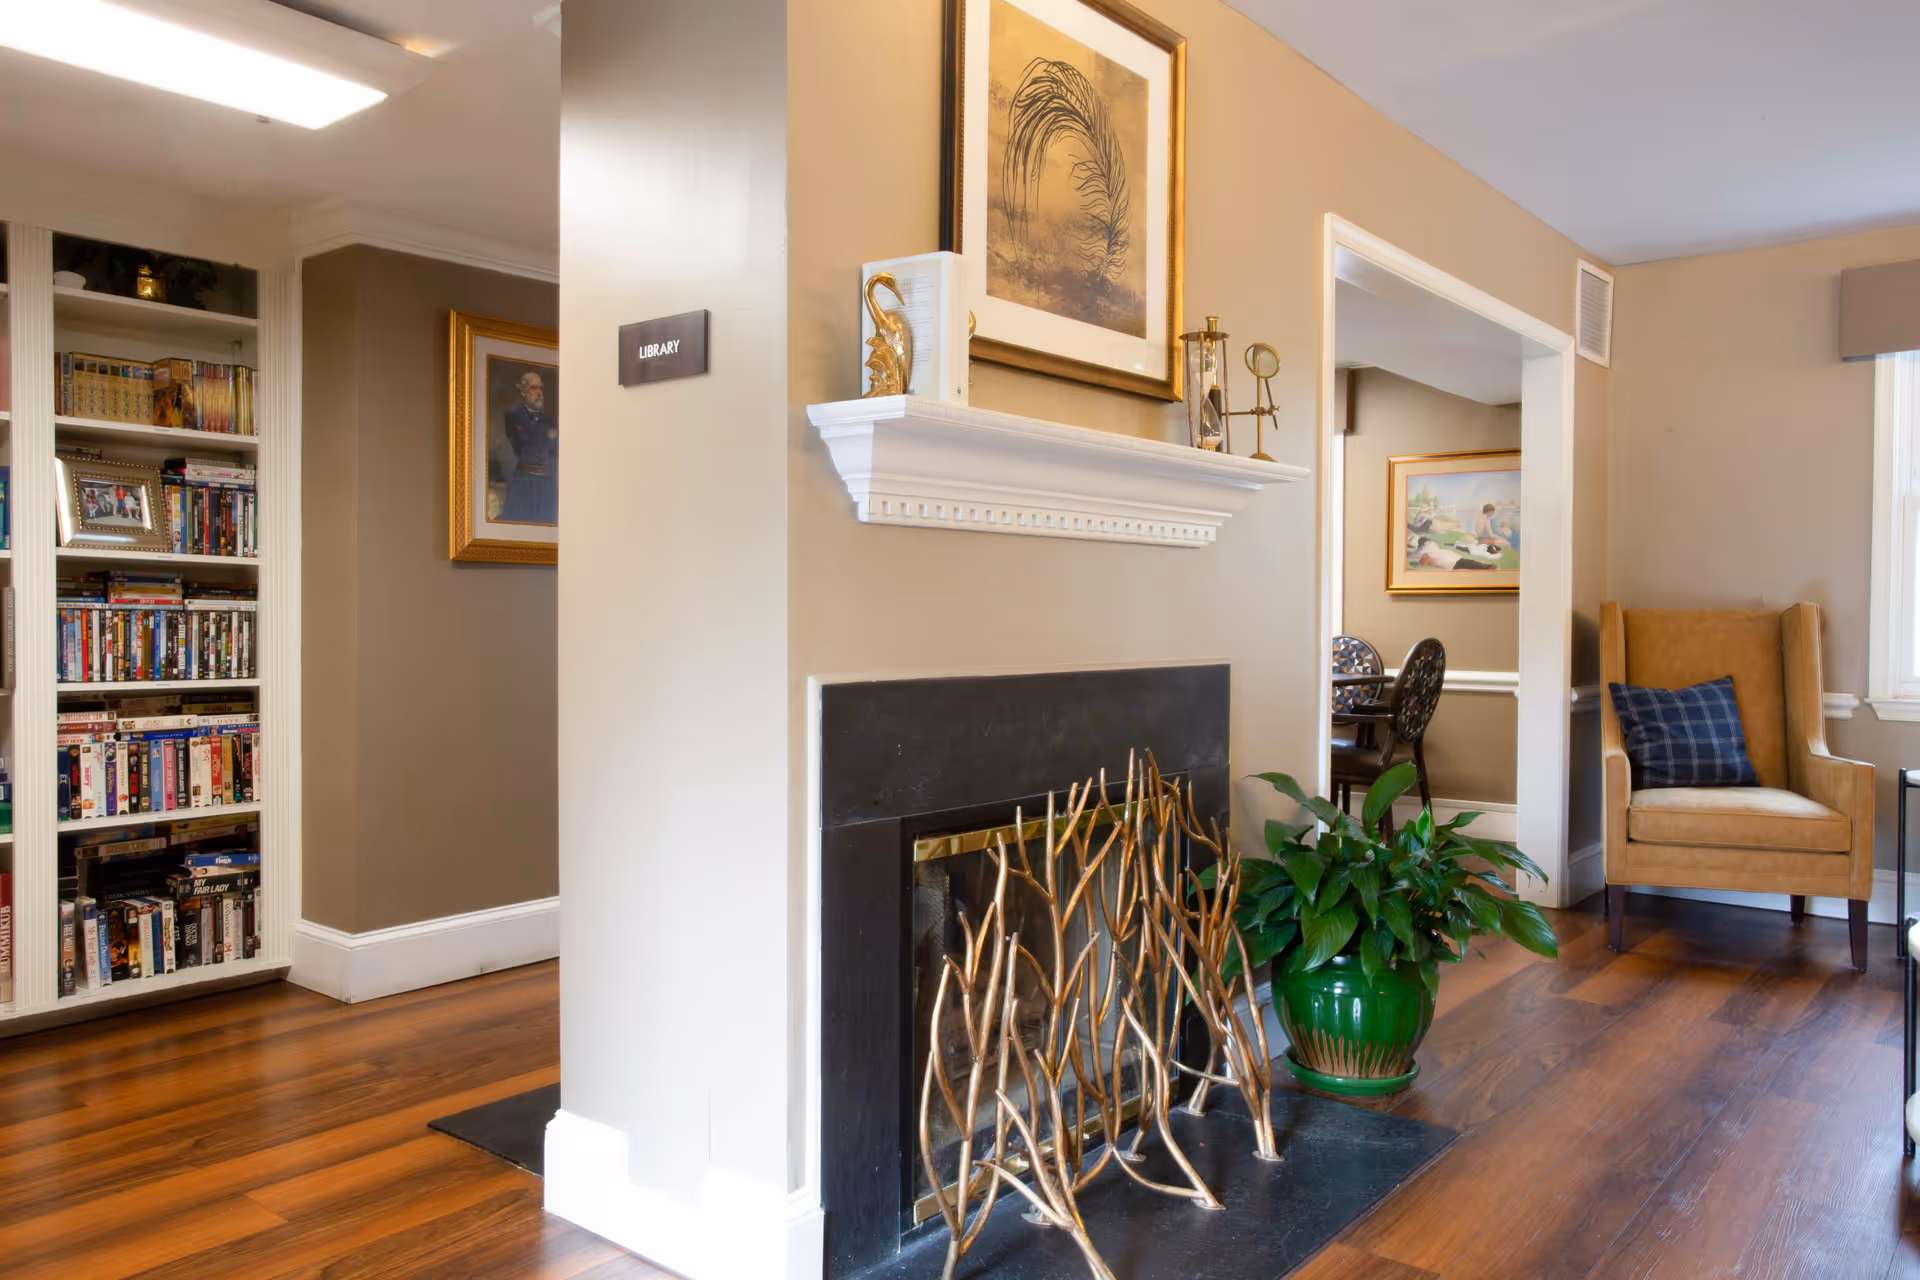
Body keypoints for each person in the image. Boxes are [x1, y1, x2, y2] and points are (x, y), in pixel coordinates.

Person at [499, 369, 557, 524]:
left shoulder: (549, 420)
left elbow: (556, 449)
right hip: (525, 482)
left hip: (546, 483)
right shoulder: (513, 416)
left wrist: (548, 439)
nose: (538, 392)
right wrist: (548, 437)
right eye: (533, 388)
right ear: (523, 392)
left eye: (540, 388)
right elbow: (521, 445)